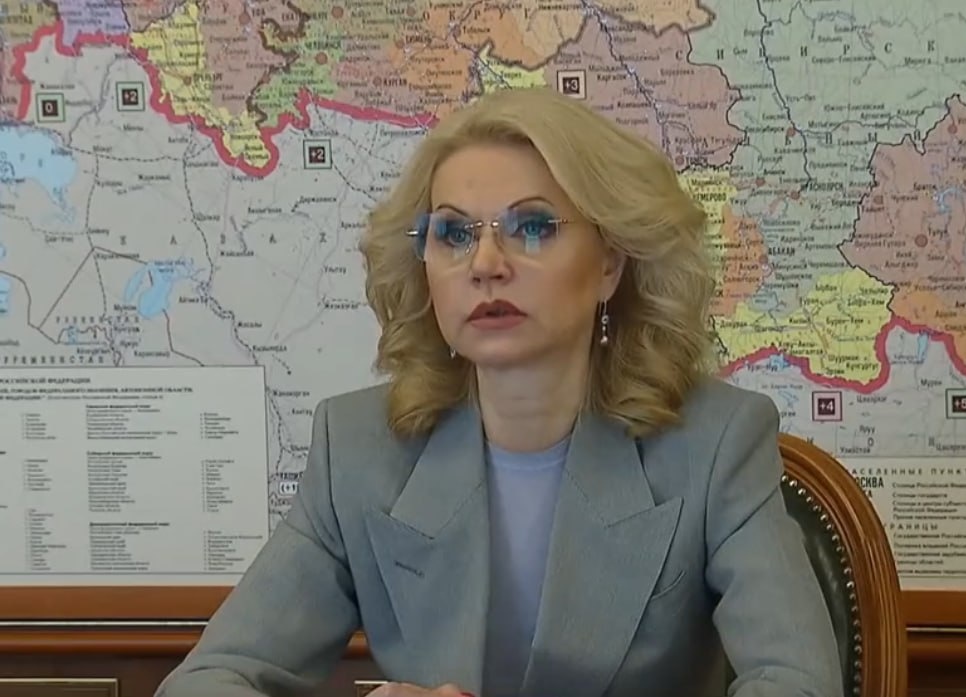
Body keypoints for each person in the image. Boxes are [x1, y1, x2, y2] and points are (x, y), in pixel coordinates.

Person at [155, 86, 842, 697]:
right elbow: (207, 679)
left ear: (610, 261)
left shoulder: (716, 443)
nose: (485, 263)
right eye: (453, 233)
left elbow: (797, 682)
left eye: (532, 227)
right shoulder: (358, 452)